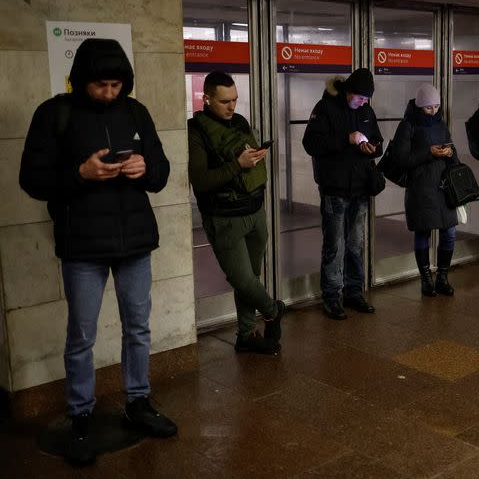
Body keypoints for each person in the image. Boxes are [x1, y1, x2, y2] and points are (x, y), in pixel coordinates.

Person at [19, 38, 176, 466]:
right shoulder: (56, 114)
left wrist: (146, 168)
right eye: (101, 85)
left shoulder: (135, 110)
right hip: (83, 243)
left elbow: (161, 171)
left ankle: (138, 402)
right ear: (81, 81)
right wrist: (81, 173)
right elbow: (31, 179)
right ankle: (81, 416)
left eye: (116, 84)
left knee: (138, 328)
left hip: (135, 241)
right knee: (82, 335)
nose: (110, 92)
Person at [188, 71, 284, 354]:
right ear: (206, 99)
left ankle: (246, 334)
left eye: (235, 100)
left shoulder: (240, 121)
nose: (231, 107)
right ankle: (272, 309)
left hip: (254, 211)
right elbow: (201, 181)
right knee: (242, 279)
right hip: (224, 218)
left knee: (251, 278)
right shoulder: (196, 131)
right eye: (224, 101)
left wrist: (254, 157)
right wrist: (238, 165)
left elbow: (246, 160)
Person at [303, 68, 384, 320]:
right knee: (334, 245)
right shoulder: (325, 107)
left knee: (355, 244)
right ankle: (331, 296)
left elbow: (378, 141)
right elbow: (311, 144)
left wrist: (372, 148)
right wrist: (346, 139)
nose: (362, 102)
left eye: (366, 99)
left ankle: (354, 292)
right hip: (335, 188)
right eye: (359, 97)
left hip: (360, 188)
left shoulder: (366, 111)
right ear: (348, 92)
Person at [391, 84, 459, 296]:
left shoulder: (440, 123)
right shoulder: (407, 126)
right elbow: (400, 159)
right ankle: (426, 279)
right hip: (420, 187)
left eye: (437, 106)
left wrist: (449, 153)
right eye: (429, 107)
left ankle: (443, 277)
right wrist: (428, 152)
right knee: (423, 231)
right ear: (420, 106)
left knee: (450, 232)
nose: (434, 111)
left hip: (443, 187)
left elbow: (453, 154)